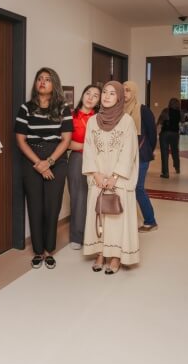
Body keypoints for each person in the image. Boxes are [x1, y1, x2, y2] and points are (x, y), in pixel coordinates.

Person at [15, 68, 73, 269]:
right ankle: (38, 251)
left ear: (54, 84)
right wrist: (38, 164)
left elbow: (66, 140)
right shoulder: (26, 108)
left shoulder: (63, 108)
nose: (42, 82)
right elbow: (21, 140)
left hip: (56, 158)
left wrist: (48, 162)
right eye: (39, 79)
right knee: (35, 205)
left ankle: (50, 249)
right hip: (31, 158)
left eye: (47, 79)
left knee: (52, 205)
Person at [82, 81, 140, 274]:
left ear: (120, 98)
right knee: (99, 214)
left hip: (118, 179)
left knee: (116, 216)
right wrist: (96, 174)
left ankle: (115, 256)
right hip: (98, 177)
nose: (106, 96)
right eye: (104, 92)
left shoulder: (127, 121)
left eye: (112, 93)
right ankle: (100, 252)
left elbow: (129, 150)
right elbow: (88, 149)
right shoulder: (92, 121)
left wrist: (115, 176)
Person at [67, 84, 101, 249]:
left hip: (99, 161)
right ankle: (77, 236)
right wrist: (87, 146)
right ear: (83, 94)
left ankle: (95, 235)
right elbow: (66, 142)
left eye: (95, 96)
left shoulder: (100, 118)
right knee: (78, 197)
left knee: (96, 196)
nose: (90, 98)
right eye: (88, 93)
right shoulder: (70, 115)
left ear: (98, 101)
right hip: (78, 159)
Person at [123, 81, 158, 232]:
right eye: (122, 90)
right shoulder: (118, 109)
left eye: (128, 90)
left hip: (141, 154)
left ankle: (150, 221)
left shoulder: (143, 110)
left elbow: (152, 133)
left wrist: (150, 149)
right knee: (125, 188)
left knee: (138, 188)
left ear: (134, 92)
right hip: (124, 156)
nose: (125, 93)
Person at [157, 98, 181, 178]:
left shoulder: (166, 111)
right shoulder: (180, 112)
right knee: (175, 152)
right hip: (175, 134)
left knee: (164, 153)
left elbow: (159, 122)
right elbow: (183, 121)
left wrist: (156, 132)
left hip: (165, 133)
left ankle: (165, 173)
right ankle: (177, 168)